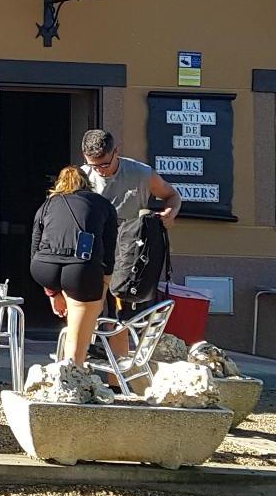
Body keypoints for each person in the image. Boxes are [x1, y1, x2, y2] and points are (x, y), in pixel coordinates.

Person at [79, 128, 180, 310]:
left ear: (116, 152)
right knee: (91, 308)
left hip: (130, 248)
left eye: (105, 164)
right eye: (94, 166)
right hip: (95, 247)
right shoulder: (82, 176)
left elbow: (172, 195)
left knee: (124, 312)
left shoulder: (141, 173)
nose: (100, 171)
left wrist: (169, 214)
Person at [30, 165, 119, 365]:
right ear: (87, 183)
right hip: (81, 268)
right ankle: (73, 368)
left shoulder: (47, 205)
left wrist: (52, 293)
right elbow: (109, 251)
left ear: (59, 184)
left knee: (73, 312)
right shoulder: (102, 204)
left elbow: (35, 247)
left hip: (43, 268)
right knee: (81, 326)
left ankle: (66, 366)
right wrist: (104, 287)